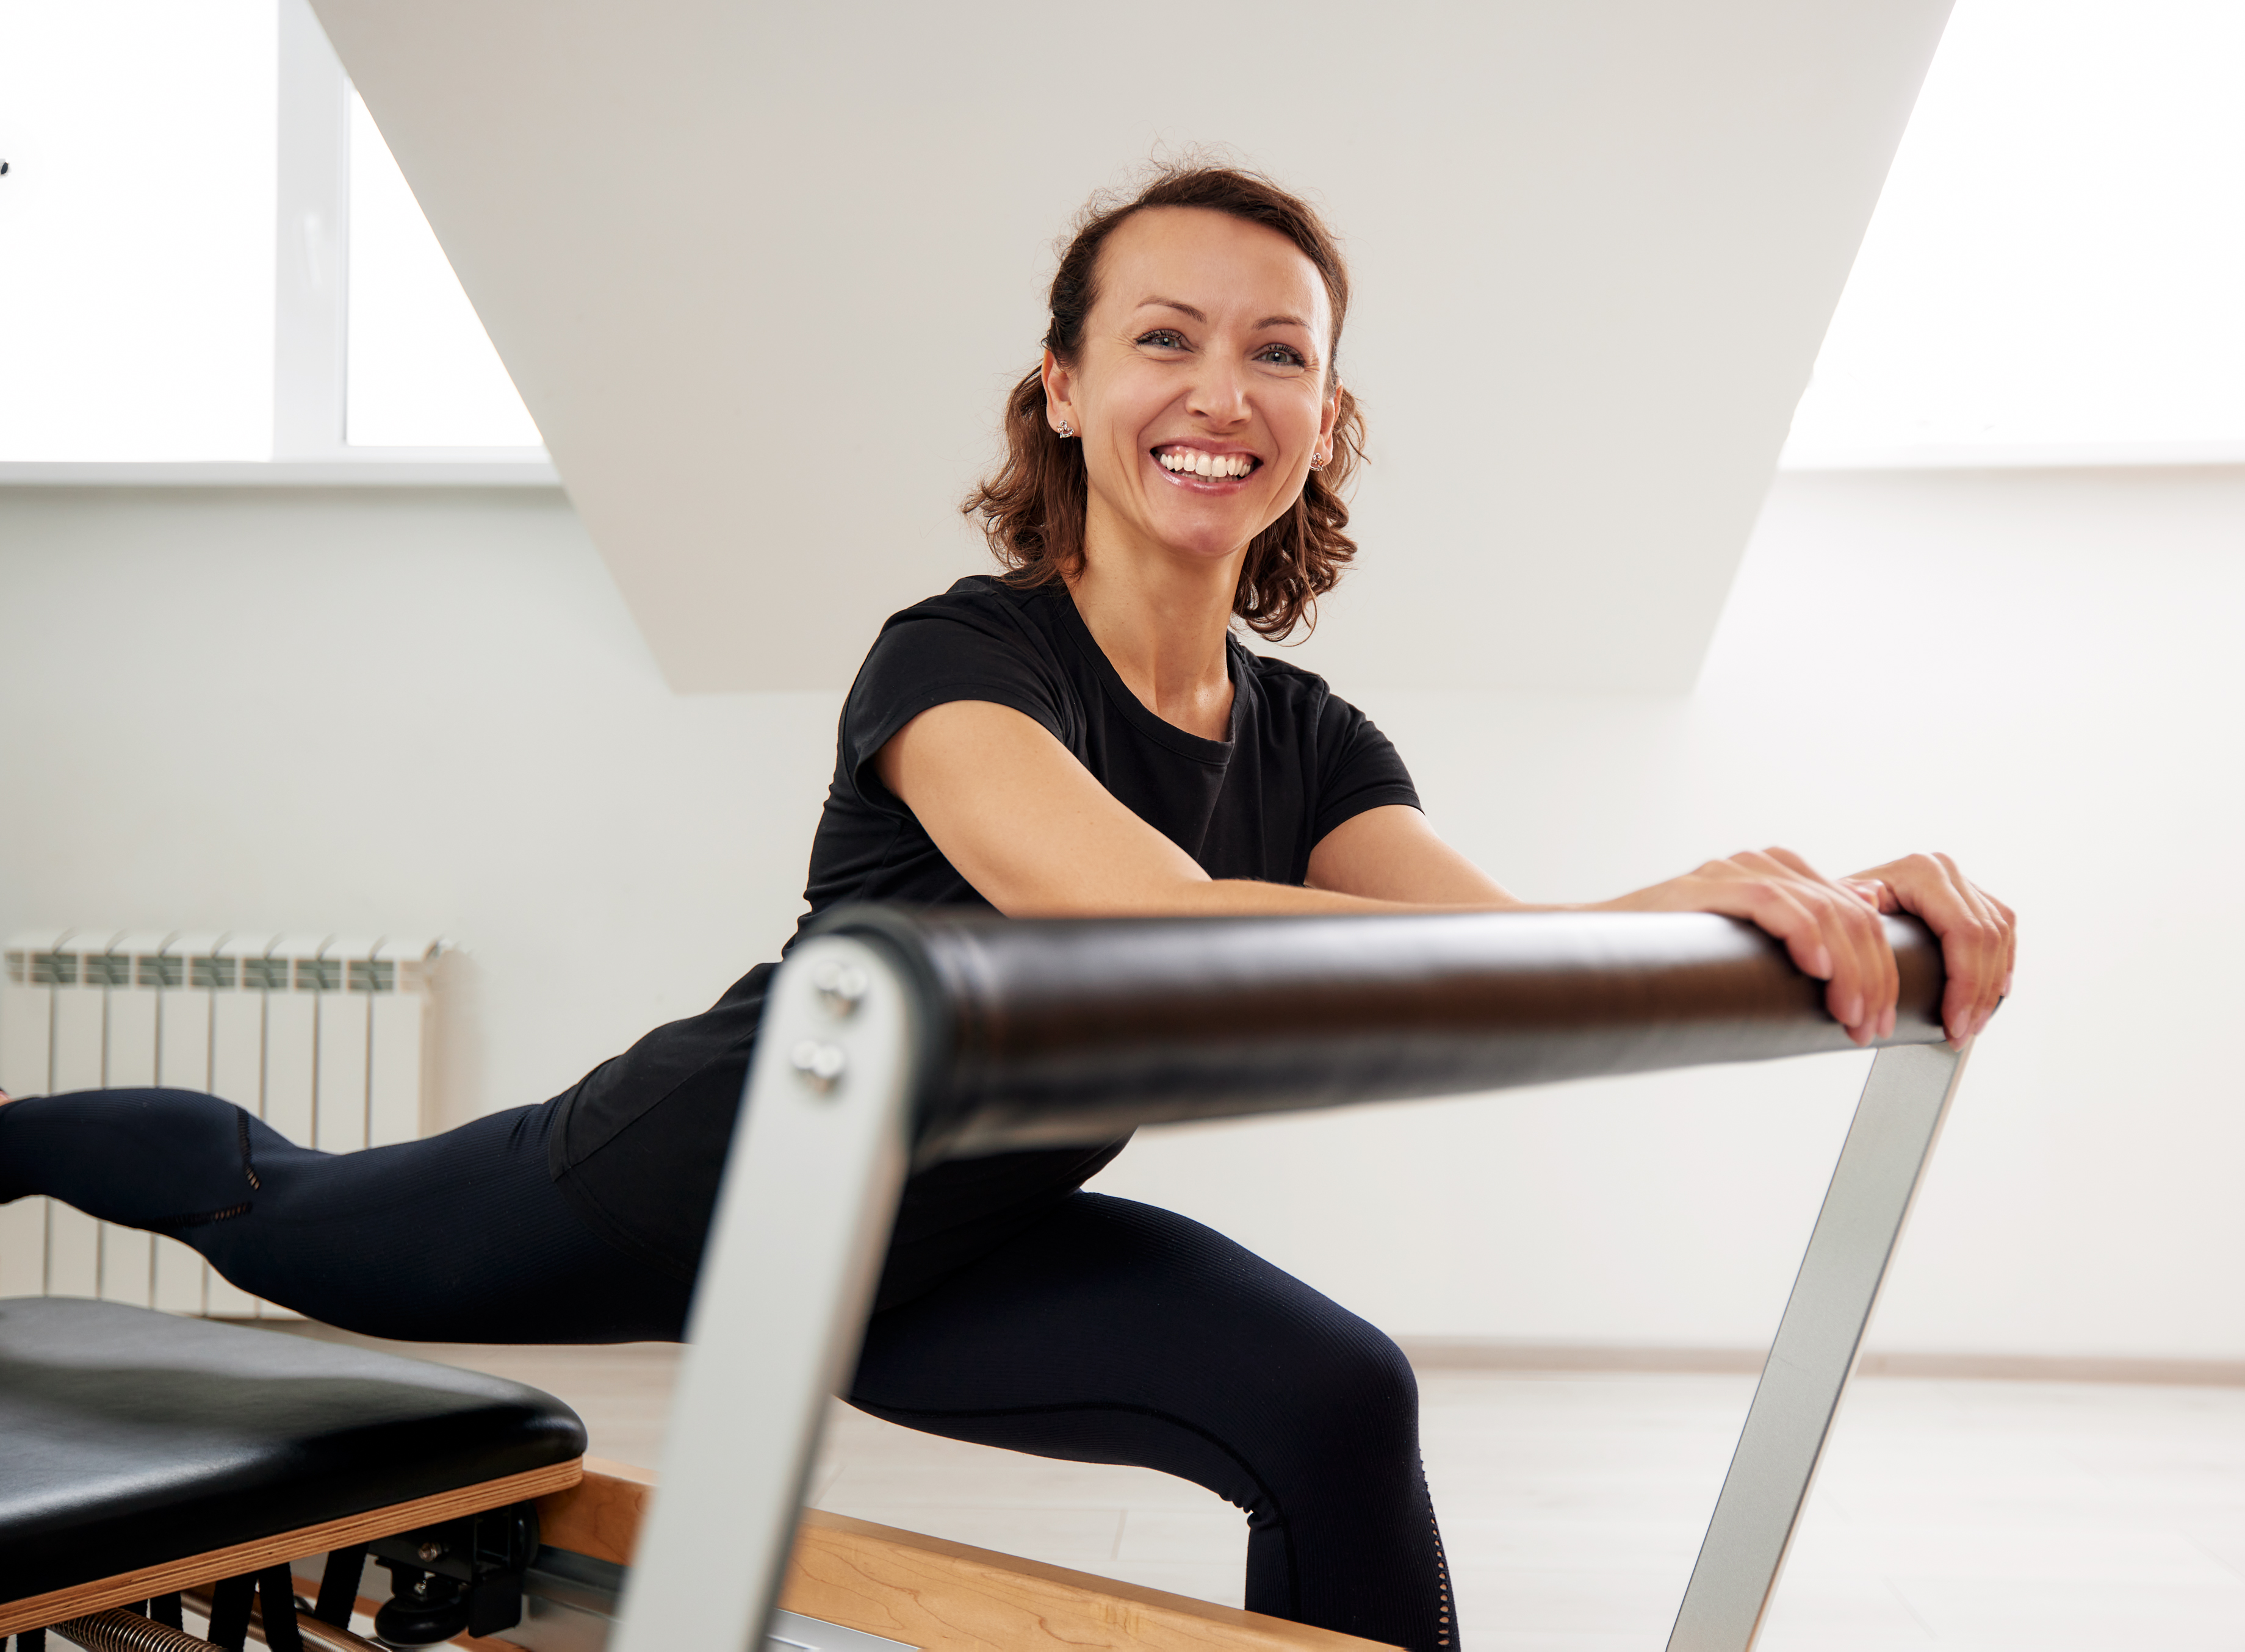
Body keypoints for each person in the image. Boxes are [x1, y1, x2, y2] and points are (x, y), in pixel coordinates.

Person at [1, 163, 2014, 1649]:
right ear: (1061, 388)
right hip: (688, 1171)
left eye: (1278, 351)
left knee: (1336, 1396)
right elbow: (1144, 920)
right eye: (1163, 336)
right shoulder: (959, 662)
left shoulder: (1313, 739)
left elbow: (1495, 958)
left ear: (1323, 420)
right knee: (272, 1204)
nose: (1220, 385)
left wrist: (1786, 901)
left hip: (945, 1243)